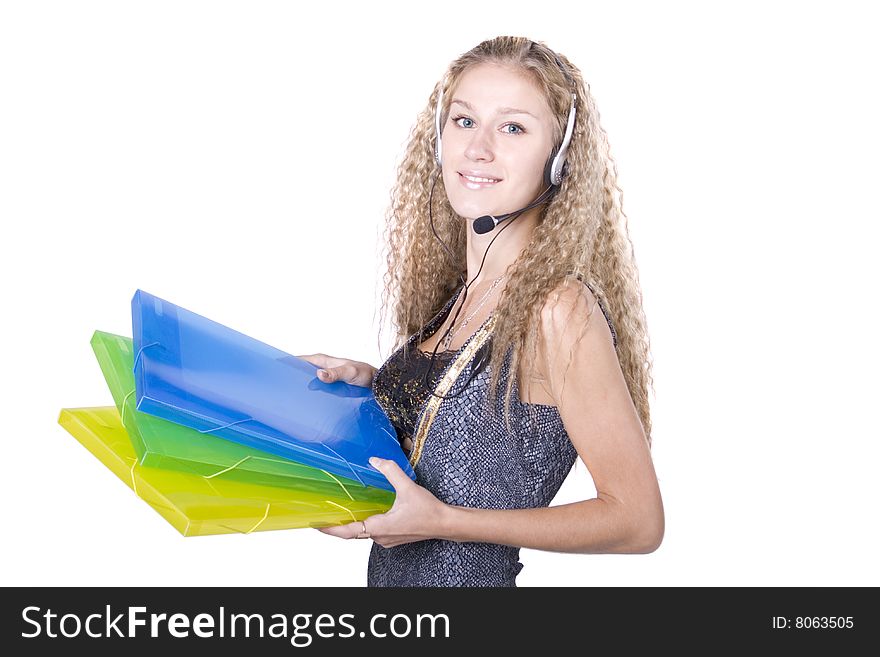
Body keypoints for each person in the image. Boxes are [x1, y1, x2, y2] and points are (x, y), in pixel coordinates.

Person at [298, 36, 663, 587]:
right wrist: (369, 385)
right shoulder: (459, 298)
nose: (478, 148)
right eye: (464, 121)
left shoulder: (560, 309)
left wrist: (445, 521)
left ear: (558, 157)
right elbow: (467, 427)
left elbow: (637, 521)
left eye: (513, 127)